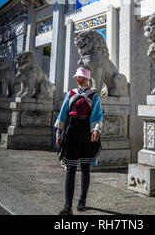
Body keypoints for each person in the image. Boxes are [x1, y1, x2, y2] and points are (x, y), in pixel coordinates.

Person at [55, 66, 103, 215]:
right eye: (77, 76)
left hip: (85, 132)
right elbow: (63, 113)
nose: (78, 78)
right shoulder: (71, 94)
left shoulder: (94, 95)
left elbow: (97, 115)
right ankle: (67, 206)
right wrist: (59, 133)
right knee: (70, 168)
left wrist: (95, 130)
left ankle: (82, 201)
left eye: (81, 76)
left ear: (87, 78)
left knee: (86, 167)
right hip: (72, 130)